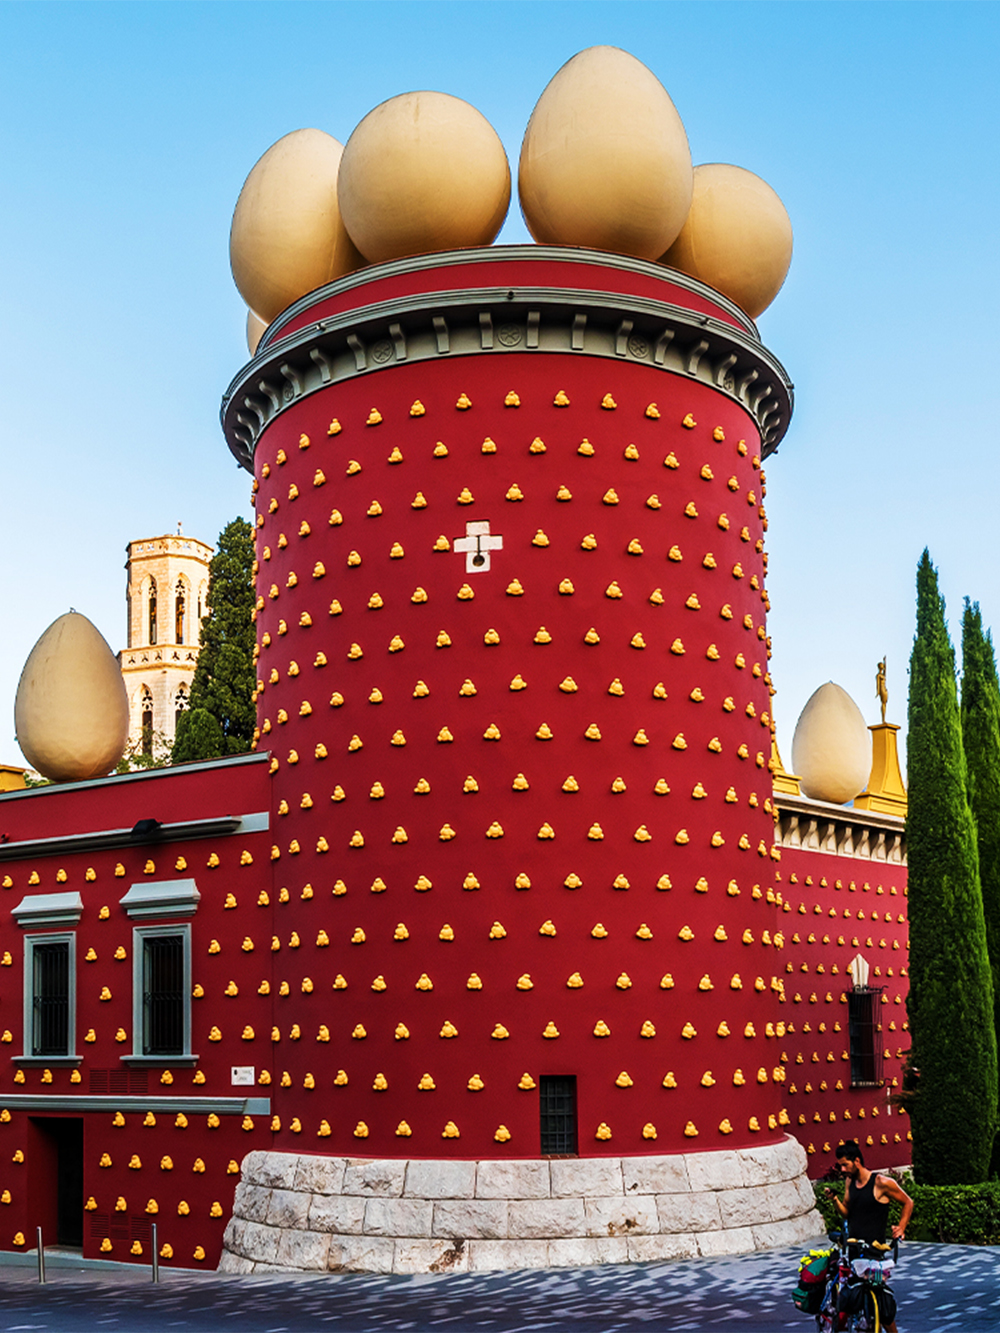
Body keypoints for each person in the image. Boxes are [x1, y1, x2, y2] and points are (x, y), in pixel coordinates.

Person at [824, 1141, 913, 1333]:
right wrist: (835, 1200)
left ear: (857, 1161)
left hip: (875, 1250)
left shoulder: (881, 1183)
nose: (842, 1169)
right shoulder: (850, 1182)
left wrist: (901, 1227)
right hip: (855, 1248)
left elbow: (908, 1202)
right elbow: (847, 1213)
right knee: (854, 1298)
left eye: (845, 1164)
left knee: (882, 1304)